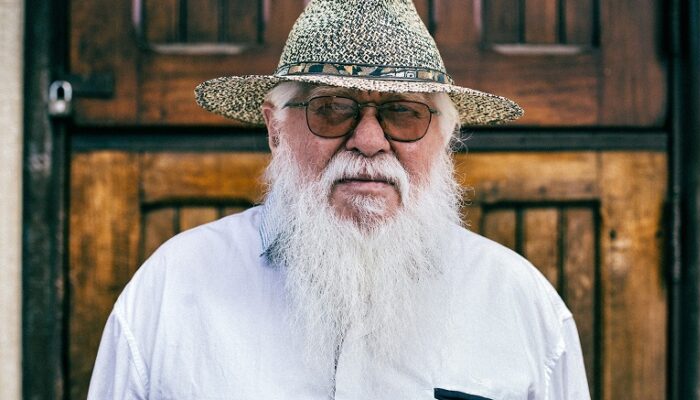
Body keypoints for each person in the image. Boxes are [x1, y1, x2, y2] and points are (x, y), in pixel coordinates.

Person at [88, 0, 590, 399]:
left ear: (445, 137)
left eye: (405, 114)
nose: (369, 141)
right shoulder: (174, 286)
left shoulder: (519, 301)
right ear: (275, 129)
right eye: (332, 110)